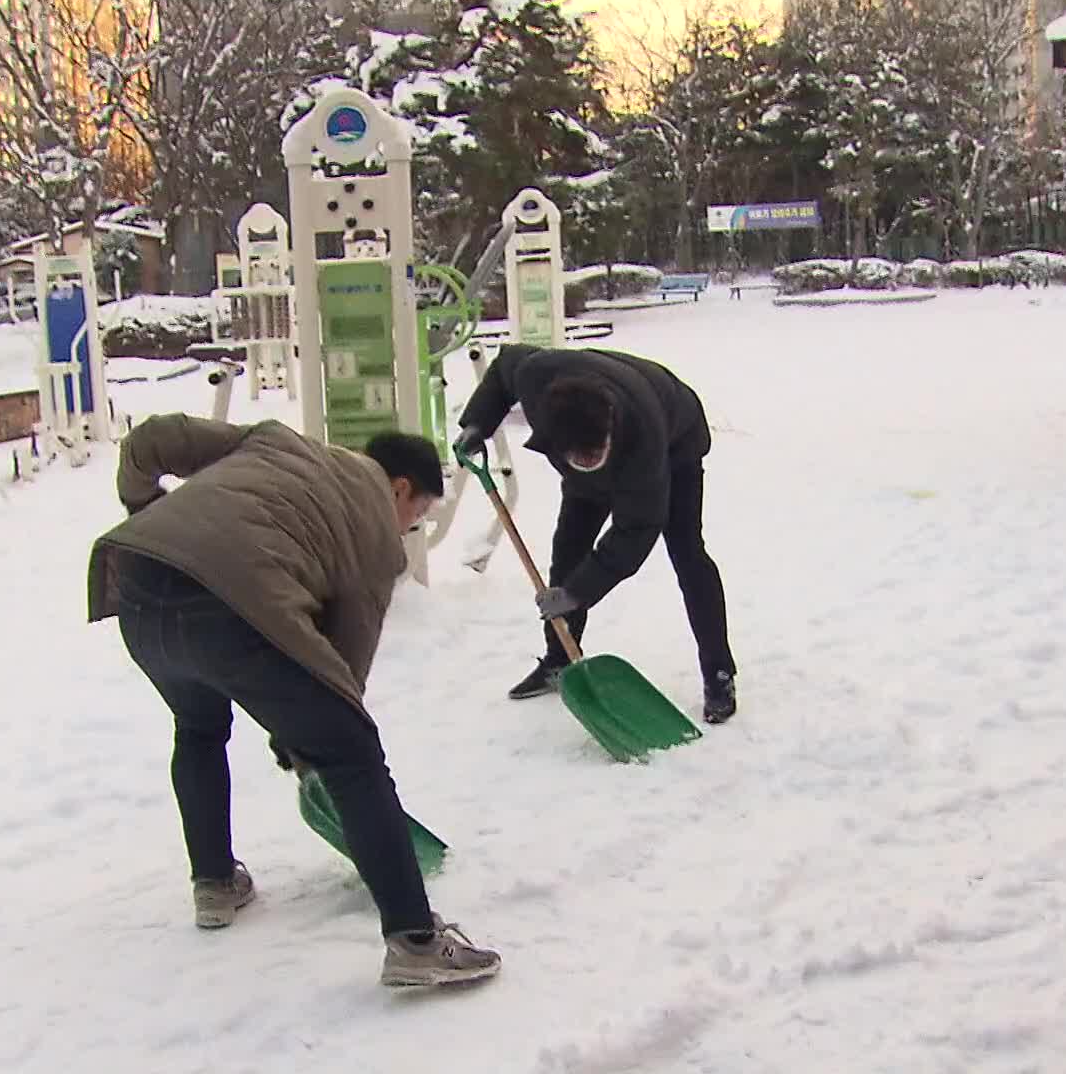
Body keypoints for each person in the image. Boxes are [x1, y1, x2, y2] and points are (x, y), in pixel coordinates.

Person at [86, 413, 501, 988]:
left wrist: (145, 510)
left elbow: (150, 439)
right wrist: (308, 746)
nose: (410, 528)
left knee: (199, 727)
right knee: (353, 753)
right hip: (231, 597)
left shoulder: (275, 441)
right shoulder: (375, 535)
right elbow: (342, 668)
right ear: (401, 488)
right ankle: (415, 940)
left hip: (134, 577)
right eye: (418, 515)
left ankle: (214, 883)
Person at [452, 343, 737, 723]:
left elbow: (636, 530)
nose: (587, 463)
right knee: (568, 551)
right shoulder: (536, 376)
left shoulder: (642, 437)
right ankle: (560, 658)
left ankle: (719, 674)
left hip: (675, 440)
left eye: (594, 455)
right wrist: (477, 423)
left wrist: (576, 593)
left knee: (687, 553)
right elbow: (505, 367)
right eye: (579, 459)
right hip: (601, 428)